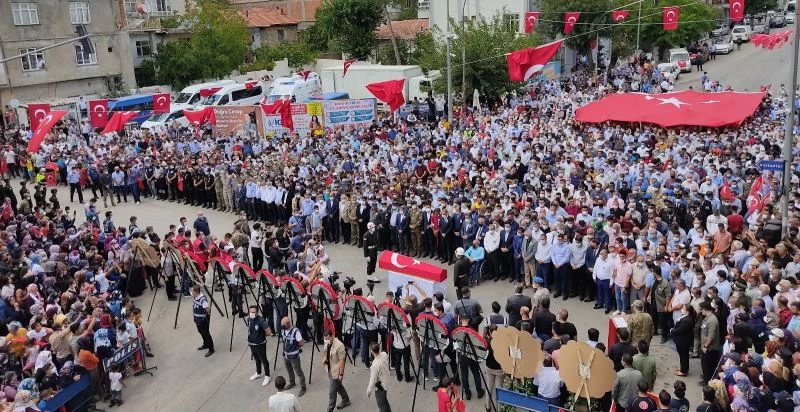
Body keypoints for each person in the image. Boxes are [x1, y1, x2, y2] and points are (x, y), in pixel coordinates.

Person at [322, 328, 350, 411]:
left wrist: (341, 374)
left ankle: (329, 410)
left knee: (332, 392)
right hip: (330, 368)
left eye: (327, 339)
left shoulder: (340, 345)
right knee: (338, 385)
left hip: (336, 371)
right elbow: (327, 351)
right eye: (324, 339)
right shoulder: (327, 341)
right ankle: (346, 399)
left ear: (332, 336)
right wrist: (325, 359)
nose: (325, 341)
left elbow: (342, 360)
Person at [280, 316, 306, 397]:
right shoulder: (283, 330)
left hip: (294, 356)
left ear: (288, 324)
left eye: (284, 325)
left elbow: (301, 343)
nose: (283, 327)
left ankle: (303, 387)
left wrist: (295, 347)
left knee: (299, 372)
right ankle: (292, 383)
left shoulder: (296, 331)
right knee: (289, 370)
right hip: (286, 355)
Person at [246, 305, 272, 386]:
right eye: (250, 312)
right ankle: (259, 372)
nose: (251, 313)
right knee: (257, 359)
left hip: (260, 344)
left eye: (253, 312)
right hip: (252, 344)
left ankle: (267, 376)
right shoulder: (249, 319)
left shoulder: (261, 321)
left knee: (263, 360)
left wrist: (260, 336)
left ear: (257, 313)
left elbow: (268, 332)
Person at [698, 302, 721, 385]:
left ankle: (707, 380)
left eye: (701, 309)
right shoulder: (707, 318)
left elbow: (710, 336)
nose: (701, 311)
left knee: (707, 365)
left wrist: (705, 346)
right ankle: (706, 376)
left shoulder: (712, 320)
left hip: (710, 348)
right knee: (704, 364)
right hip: (706, 346)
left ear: (705, 309)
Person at [670, 305, 694, 377]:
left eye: (683, 308)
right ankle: (683, 368)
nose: (682, 309)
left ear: (687, 311)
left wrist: (672, 330)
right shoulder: (686, 317)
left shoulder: (687, 320)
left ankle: (684, 371)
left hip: (683, 341)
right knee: (683, 355)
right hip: (683, 340)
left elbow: (679, 330)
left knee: (684, 355)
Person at [366, 343, 391, 412]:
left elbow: (373, 379)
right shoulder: (384, 354)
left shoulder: (375, 365)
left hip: (381, 387)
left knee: (381, 404)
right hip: (386, 382)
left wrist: (369, 389)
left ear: (371, 351)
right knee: (384, 401)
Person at [191, 284, 214, 357]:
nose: (191, 292)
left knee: (206, 334)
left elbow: (207, 309)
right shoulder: (195, 297)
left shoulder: (203, 299)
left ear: (196, 292)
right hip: (197, 320)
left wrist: (207, 318)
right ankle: (205, 344)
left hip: (202, 320)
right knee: (201, 332)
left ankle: (211, 349)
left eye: (192, 291)